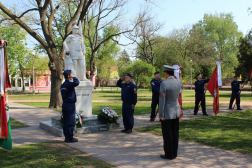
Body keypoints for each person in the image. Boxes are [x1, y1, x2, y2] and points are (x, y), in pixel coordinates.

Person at [159, 65, 183, 160]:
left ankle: (169, 155)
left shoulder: (164, 84)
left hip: (167, 113)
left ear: (166, 73)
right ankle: (174, 153)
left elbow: (162, 101)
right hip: (176, 111)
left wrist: (161, 115)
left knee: (167, 134)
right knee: (175, 133)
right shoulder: (179, 82)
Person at [60, 70, 80, 143]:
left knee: (65, 121)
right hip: (70, 105)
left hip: (65, 104)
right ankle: (69, 138)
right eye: (71, 74)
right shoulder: (68, 84)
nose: (72, 75)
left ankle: (67, 137)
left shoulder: (63, 85)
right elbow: (77, 82)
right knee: (70, 121)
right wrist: (74, 77)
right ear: (69, 76)